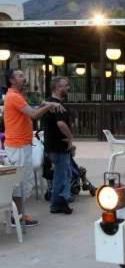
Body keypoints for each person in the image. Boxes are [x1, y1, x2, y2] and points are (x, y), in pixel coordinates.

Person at [4, 69, 64, 226]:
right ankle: (16, 217)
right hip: (18, 146)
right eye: (20, 76)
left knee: (24, 181)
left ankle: (19, 215)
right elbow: (33, 114)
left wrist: (44, 104)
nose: (24, 78)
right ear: (11, 80)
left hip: (21, 144)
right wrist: (50, 104)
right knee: (20, 182)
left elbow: (30, 110)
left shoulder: (16, 96)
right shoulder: (14, 96)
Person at [42, 76, 74, 214]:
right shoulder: (55, 104)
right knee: (61, 176)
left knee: (65, 174)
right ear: (57, 87)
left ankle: (63, 199)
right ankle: (57, 204)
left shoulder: (49, 102)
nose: (67, 88)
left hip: (53, 146)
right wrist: (70, 138)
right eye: (65, 85)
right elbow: (60, 124)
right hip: (58, 146)